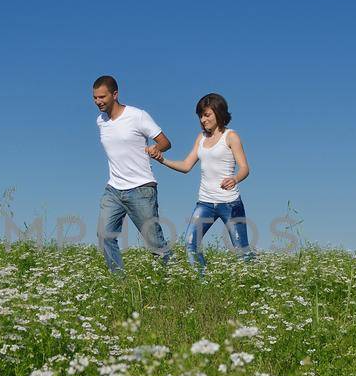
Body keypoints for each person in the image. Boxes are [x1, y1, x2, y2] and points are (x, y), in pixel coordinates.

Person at [150, 92, 255, 272]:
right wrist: (162, 160)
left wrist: (235, 178)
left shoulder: (231, 136)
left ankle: (254, 278)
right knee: (190, 244)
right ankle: (202, 282)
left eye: (206, 114)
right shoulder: (201, 138)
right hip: (205, 202)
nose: (202, 119)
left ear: (218, 113)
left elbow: (245, 167)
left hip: (229, 203)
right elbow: (186, 165)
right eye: (200, 115)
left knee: (241, 250)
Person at [92, 75, 173, 273]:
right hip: (114, 189)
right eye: (95, 98)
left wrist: (156, 149)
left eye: (102, 97)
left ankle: (170, 277)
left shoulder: (137, 116)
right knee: (104, 235)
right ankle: (119, 281)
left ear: (115, 94)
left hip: (141, 188)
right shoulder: (101, 121)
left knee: (155, 243)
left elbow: (165, 142)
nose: (98, 102)